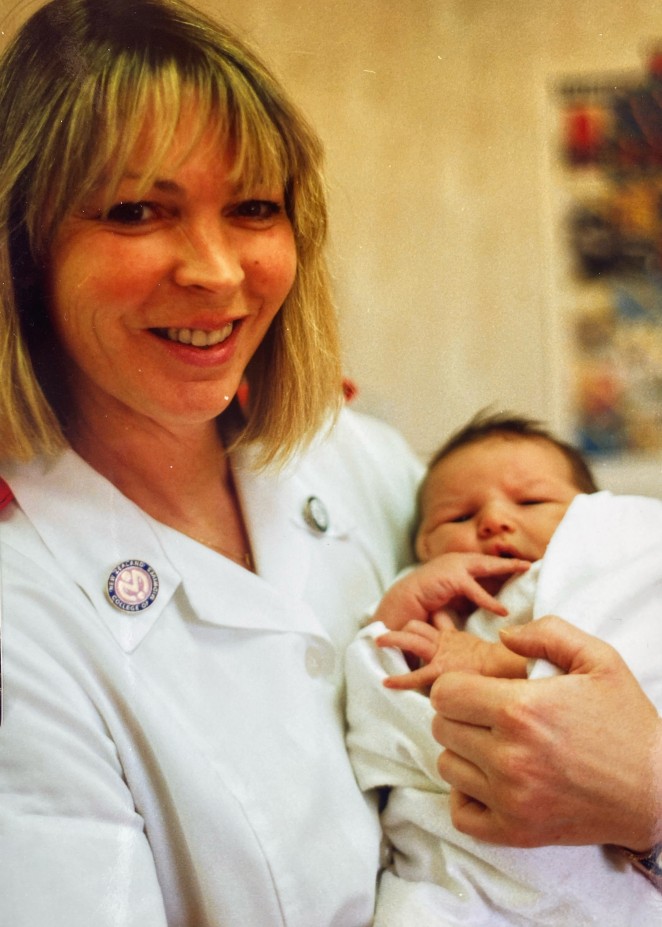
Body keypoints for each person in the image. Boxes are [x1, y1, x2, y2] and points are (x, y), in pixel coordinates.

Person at [0, 2, 425, 924]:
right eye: (137, 211)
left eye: (253, 208)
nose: (218, 272)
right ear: (25, 248)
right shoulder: (19, 614)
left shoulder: (357, 458)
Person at [346, 412, 662, 925]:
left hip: (616, 872)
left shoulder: (616, 567)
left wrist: (492, 660)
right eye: (456, 517)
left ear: (591, 518)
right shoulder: (428, 609)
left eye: (531, 502)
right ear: (423, 547)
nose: (493, 520)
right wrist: (397, 612)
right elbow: (376, 700)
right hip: (461, 879)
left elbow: (613, 681)